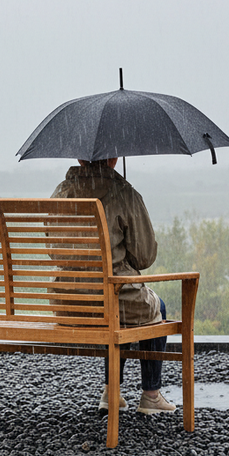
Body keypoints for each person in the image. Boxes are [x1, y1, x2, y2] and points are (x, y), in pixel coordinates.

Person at [51, 157, 175, 415]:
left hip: (68, 303)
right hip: (112, 300)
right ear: (115, 158)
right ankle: (151, 395)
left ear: (79, 158)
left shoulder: (61, 192)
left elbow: (54, 252)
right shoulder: (124, 193)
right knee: (152, 307)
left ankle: (112, 392)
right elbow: (145, 257)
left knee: (115, 307)